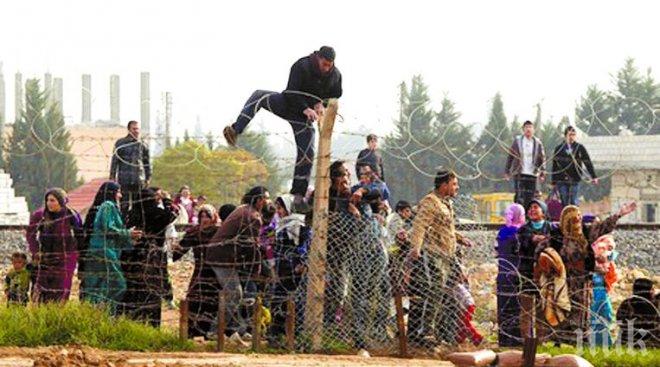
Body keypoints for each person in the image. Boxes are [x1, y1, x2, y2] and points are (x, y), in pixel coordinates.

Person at [222, 46, 342, 211]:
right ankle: (236, 130)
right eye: (324, 64)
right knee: (259, 96)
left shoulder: (335, 75)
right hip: (288, 104)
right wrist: (305, 107)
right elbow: (290, 91)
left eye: (329, 65)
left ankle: (298, 196)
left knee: (307, 153)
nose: (326, 68)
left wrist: (322, 103)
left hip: (304, 119)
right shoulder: (301, 65)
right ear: (318, 58)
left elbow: (336, 94)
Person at [551, 202, 636, 345]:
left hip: (584, 282)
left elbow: (603, 228)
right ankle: (563, 341)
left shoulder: (585, 233)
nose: (578, 218)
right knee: (565, 311)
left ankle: (581, 340)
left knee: (584, 312)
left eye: (579, 215)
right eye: (574, 216)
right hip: (565, 282)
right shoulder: (558, 237)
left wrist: (619, 214)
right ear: (566, 219)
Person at [407, 170, 473, 347]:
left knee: (450, 293)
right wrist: (416, 248)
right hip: (433, 254)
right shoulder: (431, 202)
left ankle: (443, 332)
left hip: (447, 255)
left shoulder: (446, 203)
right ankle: (426, 331)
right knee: (434, 290)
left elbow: (445, 228)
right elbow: (420, 225)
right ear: (444, 185)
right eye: (454, 184)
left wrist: (460, 238)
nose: (456, 187)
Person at [205, 186, 269, 342]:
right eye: (266, 198)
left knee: (236, 295)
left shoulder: (244, 210)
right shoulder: (252, 217)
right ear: (259, 200)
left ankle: (238, 330)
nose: (268, 202)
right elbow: (251, 246)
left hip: (223, 255)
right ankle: (215, 331)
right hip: (222, 257)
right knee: (235, 293)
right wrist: (257, 268)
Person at [81, 182, 142, 314]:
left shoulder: (110, 208)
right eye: (118, 192)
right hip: (104, 251)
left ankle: (95, 313)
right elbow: (107, 228)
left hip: (104, 250)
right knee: (118, 285)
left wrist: (129, 239)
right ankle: (104, 312)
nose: (121, 195)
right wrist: (127, 233)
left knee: (100, 285)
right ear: (112, 193)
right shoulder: (107, 206)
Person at [122, 188, 178, 327]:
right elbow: (174, 212)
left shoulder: (132, 213)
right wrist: (166, 200)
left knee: (135, 290)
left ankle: (132, 323)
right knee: (151, 291)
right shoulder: (157, 213)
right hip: (152, 257)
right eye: (156, 197)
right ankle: (151, 325)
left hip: (134, 257)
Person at [268, 194, 312, 347]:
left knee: (295, 304)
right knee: (278, 301)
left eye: (281, 208)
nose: (278, 212)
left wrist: (302, 262)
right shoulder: (283, 225)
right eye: (277, 209)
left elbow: (305, 245)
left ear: (289, 207)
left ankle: (296, 337)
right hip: (283, 270)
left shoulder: (297, 225)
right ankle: (277, 336)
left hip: (294, 271)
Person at [26, 188, 83, 303]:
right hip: (45, 258)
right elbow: (30, 234)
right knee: (43, 288)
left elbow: (80, 235)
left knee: (62, 288)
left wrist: (77, 253)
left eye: (53, 200)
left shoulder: (71, 215)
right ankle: (41, 315)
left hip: (66, 258)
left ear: (61, 202)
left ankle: (57, 315)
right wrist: (36, 251)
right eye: (47, 200)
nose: (49, 204)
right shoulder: (40, 215)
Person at [173, 204, 221, 338]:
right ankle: (190, 332)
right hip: (200, 272)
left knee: (212, 302)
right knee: (194, 301)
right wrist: (176, 248)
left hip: (215, 273)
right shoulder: (194, 233)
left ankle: (208, 333)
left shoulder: (219, 232)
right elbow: (178, 253)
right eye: (202, 216)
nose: (204, 219)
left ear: (213, 217)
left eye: (207, 216)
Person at [516, 199, 556, 343]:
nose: (531, 210)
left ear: (543, 212)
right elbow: (526, 242)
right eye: (530, 208)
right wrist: (535, 238)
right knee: (526, 307)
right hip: (527, 272)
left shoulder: (551, 228)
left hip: (545, 273)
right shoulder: (523, 229)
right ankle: (527, 340)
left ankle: (541, 340)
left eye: (535, 207)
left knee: (542, 307)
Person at [495, 203, 525, 347]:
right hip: (516, 275)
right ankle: (515, 339)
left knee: (503, 308)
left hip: (503, 274)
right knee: (516, 308)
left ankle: (504, 339)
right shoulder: (520, 233)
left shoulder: (502, 232)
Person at [109, 120, 151, 218]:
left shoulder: (143, 144)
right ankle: (124, 225)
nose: (136, 131)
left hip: (138, 179)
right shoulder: (121, 143)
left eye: (137, 129)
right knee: (124, 205)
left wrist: (148, 177)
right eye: (134, 129)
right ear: (129, 130)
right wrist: (112, 175)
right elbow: (115, 160)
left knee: (138, 205)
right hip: (124, 179)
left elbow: (146, 163)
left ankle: (136, 225)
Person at [551, 126, 598, 207]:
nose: (571, 137)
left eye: (573, 134)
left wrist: (593, 176)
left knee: (573, 201)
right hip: (561, 179)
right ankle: (566, 218)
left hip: (575, 179)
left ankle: (575, 218)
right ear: (565, 135)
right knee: (564, 201)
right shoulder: (559, 148)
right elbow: (555, 165)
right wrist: (553, 181)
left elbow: (587, 162)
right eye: (570, 134)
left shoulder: (579, 148)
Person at [505, 120, 546, 209]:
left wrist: (542, 172)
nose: (528, 129)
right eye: (526, 127)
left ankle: (528, 217)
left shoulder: (537, 142)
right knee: (519, 196)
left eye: (530, 127)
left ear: (533, 129)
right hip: (519, 173)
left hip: (532, 173)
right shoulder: (517, 141)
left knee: (530, 197)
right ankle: (518, 215)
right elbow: (510, 156)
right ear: (523, 129)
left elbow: (542, 158)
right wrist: (507, 171)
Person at [590, 234, 618, 347]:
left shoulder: (610, 263)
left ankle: (604, 343)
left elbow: (613, 277)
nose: (606, 249)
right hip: (591, 293)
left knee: (605, 316)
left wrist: (607, 268)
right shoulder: (590, 260)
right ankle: (592, 342)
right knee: (592, 317)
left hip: (602, 293)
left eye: (610, 248)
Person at [616, 278, 660, 348]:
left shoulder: (626, 303)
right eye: (652, 289)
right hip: (648, 342)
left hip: (626, 340)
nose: (654, 291)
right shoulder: (651, 307)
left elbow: (619, 320)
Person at [386, 200, 414, 297]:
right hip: (392, 248)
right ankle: (402, 286)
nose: (409, 214)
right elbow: (401, 237)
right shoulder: (396, 220)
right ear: (400, 211)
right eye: (407, 211)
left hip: (390, 246)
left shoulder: (393, 217)